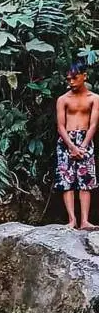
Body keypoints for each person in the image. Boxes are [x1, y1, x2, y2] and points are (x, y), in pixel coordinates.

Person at [55, 61, 99, 230]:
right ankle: (72, 219)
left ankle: (85, 221)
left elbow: (94, 124)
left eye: (74, 78)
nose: (71, 82)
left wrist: (83, 146)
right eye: (68, 79)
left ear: (84, 76)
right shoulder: (63, 99)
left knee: (85, 181)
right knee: (67, 181)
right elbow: (60, 126)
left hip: (85, 139)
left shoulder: (94, 98)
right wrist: (72, 146)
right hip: (67, 140)